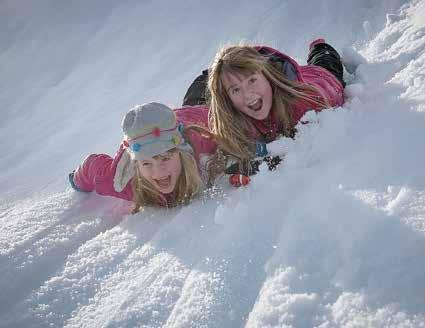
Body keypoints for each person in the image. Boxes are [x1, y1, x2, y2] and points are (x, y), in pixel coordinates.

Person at [184, 39, 345, 179]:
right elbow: (193, 119)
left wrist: (260, 163)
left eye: (252, 80)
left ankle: (319, 46)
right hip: (226, 85)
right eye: (235, 90)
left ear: (267, 76)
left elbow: (300, 150)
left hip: (321, 77)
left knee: (325, 60)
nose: (247, 95)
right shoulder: (231, 112)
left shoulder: (304, 104)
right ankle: (219, 74)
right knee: (195, 102)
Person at [69, 102, 220, 212]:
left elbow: (223, 122)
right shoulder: (124, 183)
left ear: (181, 153)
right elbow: (92, 165)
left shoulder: (197, 141)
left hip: (194, 112)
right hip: (146, 135)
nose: (159, 172)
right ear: (136, 165)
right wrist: (77, 180)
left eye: (165, 158)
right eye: (147, 163)